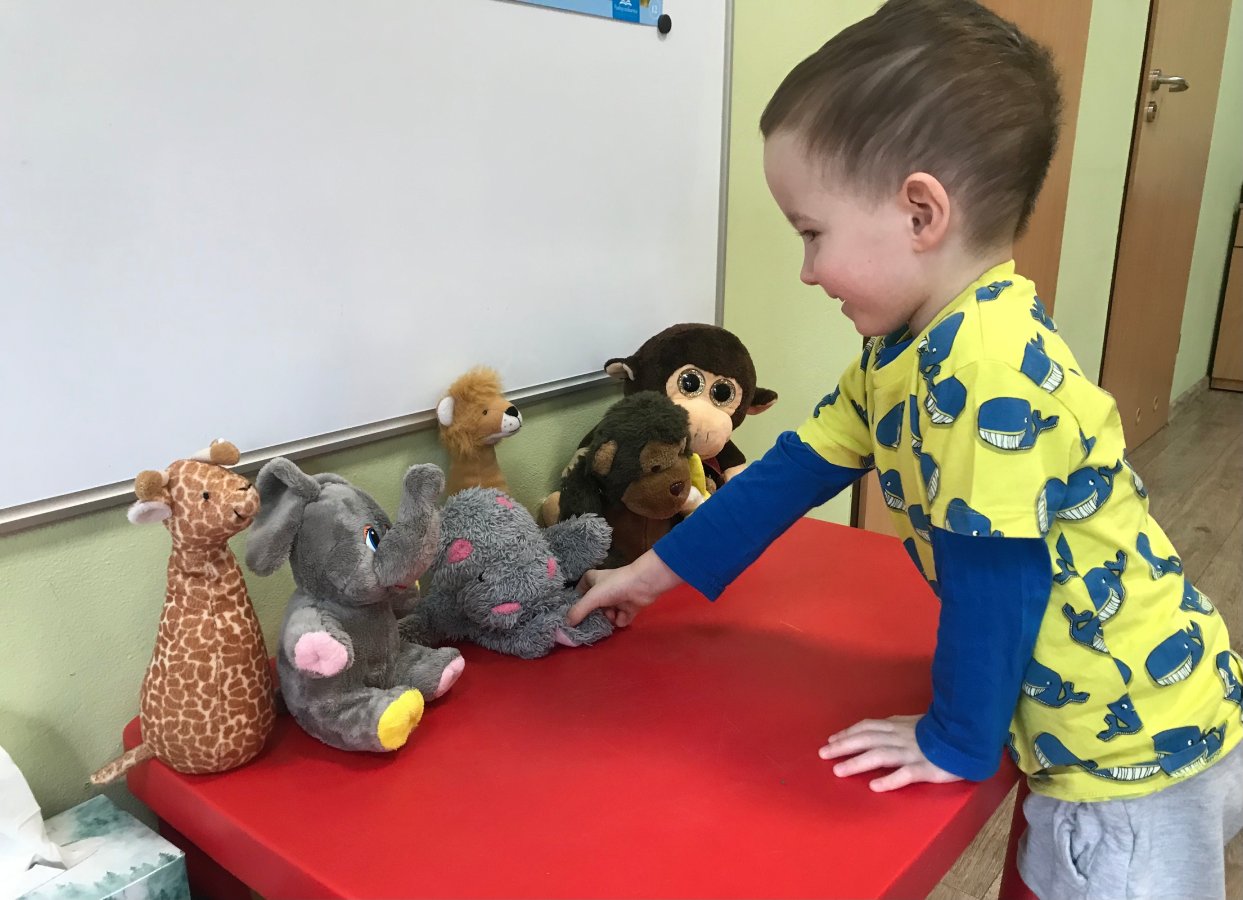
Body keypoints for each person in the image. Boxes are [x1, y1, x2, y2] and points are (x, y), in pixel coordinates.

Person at [566, 1, 1243, 895]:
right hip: (1085, 732)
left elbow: (995, 578)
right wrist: (648, 576)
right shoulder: (904, 350)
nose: (806, 270)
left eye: (812, 233)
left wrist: (952, 740)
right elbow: (788, 473)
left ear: (920, 212)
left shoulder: (987, 369)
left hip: (1125, 762)